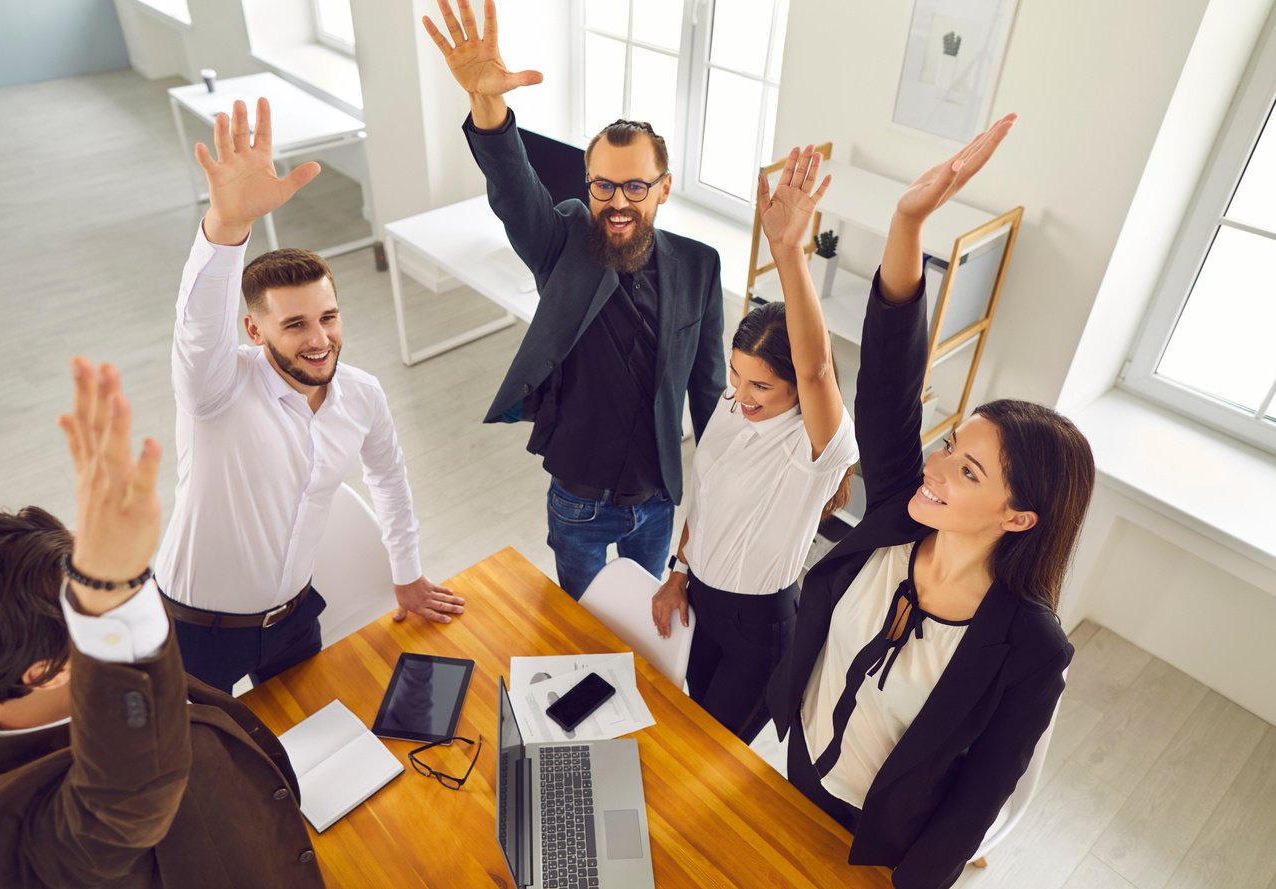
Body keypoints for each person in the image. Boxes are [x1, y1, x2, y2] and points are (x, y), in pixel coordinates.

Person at [765, 115, 1095, 889]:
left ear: (1020, 517)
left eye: (968, 471)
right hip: (796, 767)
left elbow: (974, 804)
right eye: (950, 446)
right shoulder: (897, 516)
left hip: (877, 843)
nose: (936, 468)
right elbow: (889, 378)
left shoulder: (1031, 649)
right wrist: (908, 222)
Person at [0, 358, 326, 888]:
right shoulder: (26, 835)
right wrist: (107, 592)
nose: (131, 600)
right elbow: (129, 788)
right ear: (45, 670)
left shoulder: (15, 667)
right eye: (95, 605)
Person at [154, 97, 462, 692]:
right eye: (295, 325)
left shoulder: (362, 395)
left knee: (309, 733)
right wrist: (227, 229)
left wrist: (406, 572)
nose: (319, 340)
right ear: (254, 330)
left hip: (294, 621)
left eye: (328, 317)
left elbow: (389, 480)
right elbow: (197, 325)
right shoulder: (214, 389)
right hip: (195, 632)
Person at [423, 0, 727, 599]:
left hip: (658, 500)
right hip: (578, 501)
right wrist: (488, 107)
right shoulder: (562, 240)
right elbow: (515, 192)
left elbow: (709, 391)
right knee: (577, 623)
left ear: (663, 188)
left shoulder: (700, 265)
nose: (618, 201)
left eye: (635, 185)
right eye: (603, 185)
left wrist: (719, 496)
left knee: (642, 622)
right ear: (588, 184)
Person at [650, 145, 859, 744]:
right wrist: (678, 572)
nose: (741, 394)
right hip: (703, 600)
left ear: (798, 389)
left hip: (760, 628)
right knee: (687, 726)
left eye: (761, 385)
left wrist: (787, 252)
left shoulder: (814, 445)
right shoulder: (730, 404)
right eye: (736, 374)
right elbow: (706, 498)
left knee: (711, 753)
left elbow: (816, 367)